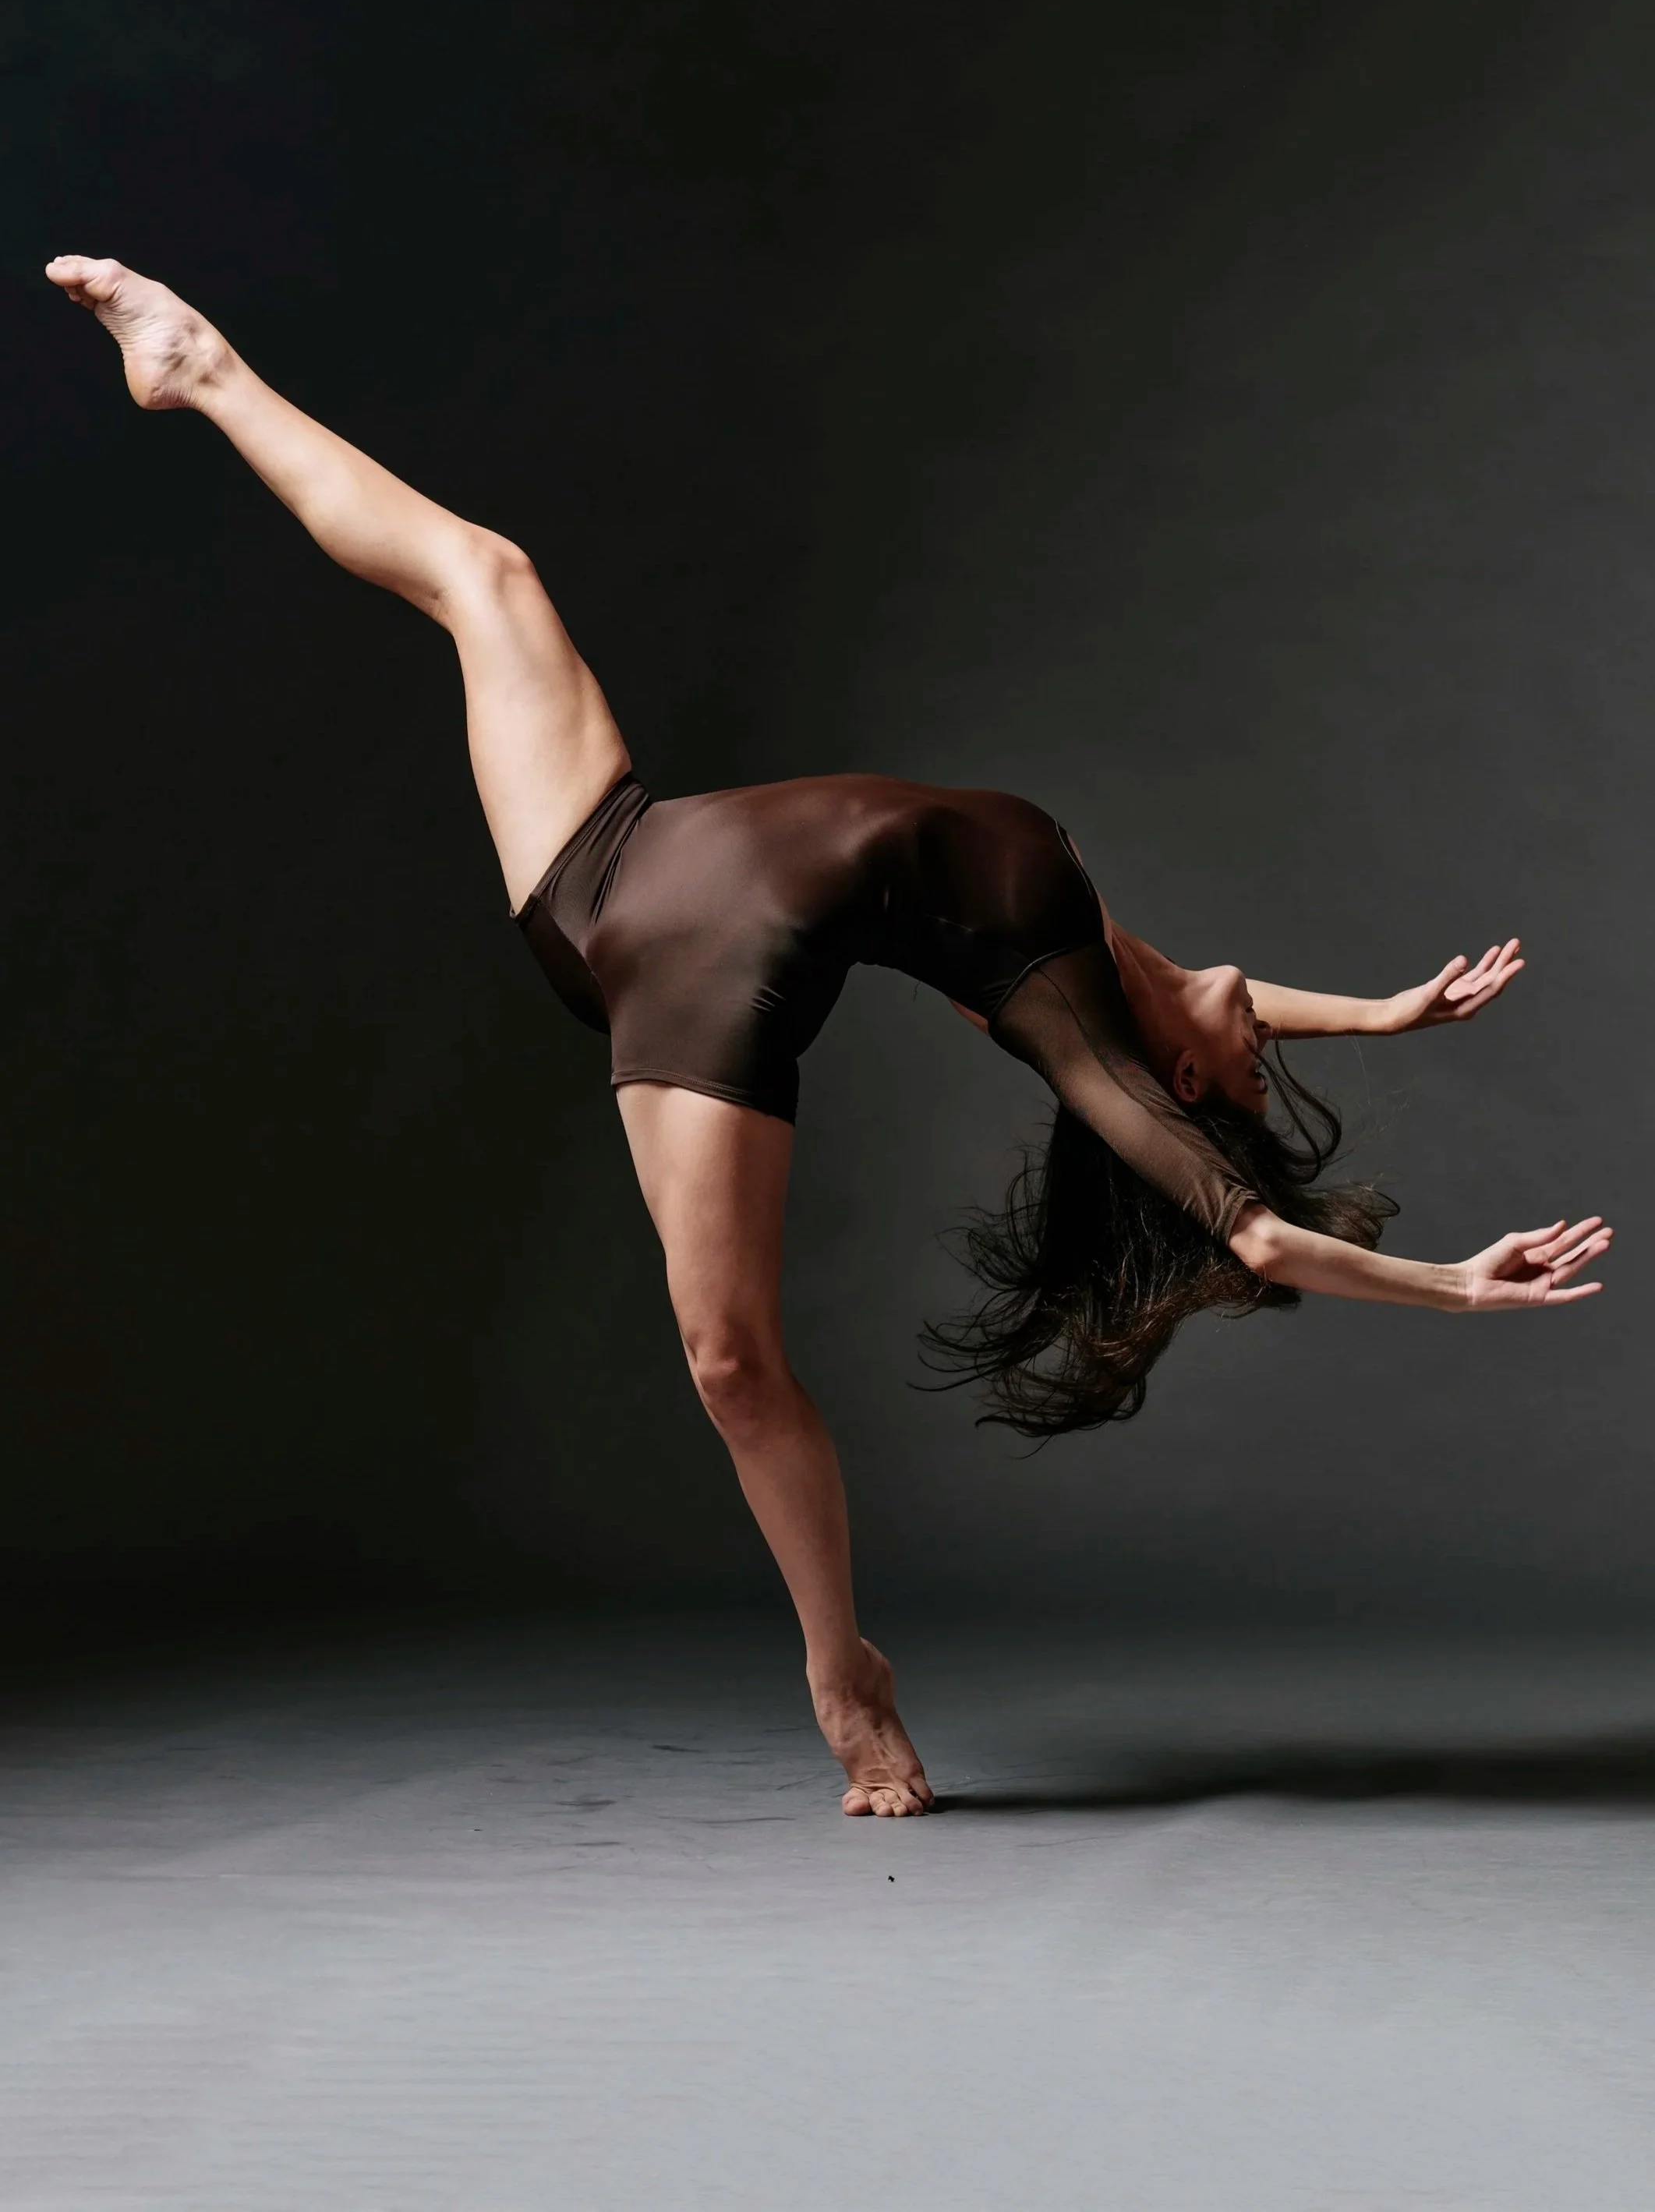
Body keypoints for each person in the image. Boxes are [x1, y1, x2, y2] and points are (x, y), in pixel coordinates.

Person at [44, 255, 1613, 1819]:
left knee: (729, 1357)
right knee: (486, 573)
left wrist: (1449, 1288)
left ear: (1181, 1083)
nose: (1266, 1027)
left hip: (696, 994)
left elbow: (1253, 1230)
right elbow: (1228, 992)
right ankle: (201, 369)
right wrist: (1386, 1006)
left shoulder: (1070, 1020)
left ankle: (838, 1666)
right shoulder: (1085, 933)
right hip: (619, 856)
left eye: (1256, 1067)